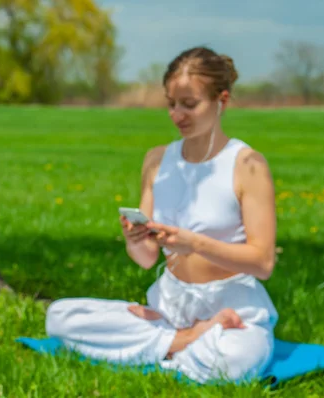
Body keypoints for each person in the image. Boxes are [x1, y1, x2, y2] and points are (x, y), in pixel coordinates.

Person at [45, 46, 279, 384]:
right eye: (171, 104)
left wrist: (194, 243)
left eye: (189, 104)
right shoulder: (157, 160)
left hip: (232, 309)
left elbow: (263, 263)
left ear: (221, 101)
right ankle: (184, 342)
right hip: (170, 308)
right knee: (60, 317)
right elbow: (146, 259)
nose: (177, 115)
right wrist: (134, 239)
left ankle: (170, 347)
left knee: (236, 360)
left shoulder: (247, 165)